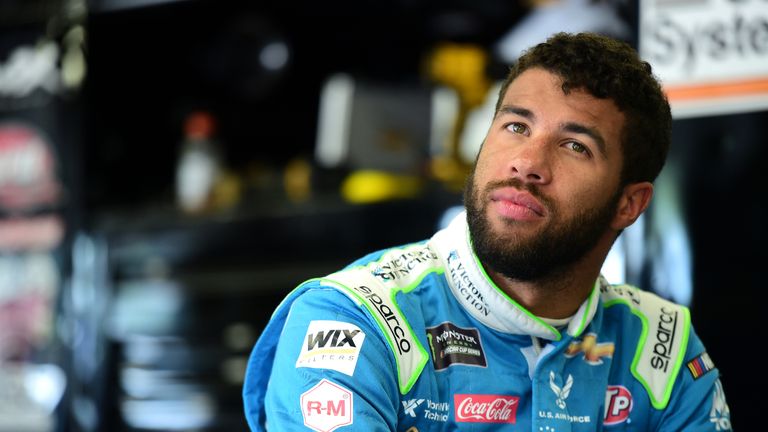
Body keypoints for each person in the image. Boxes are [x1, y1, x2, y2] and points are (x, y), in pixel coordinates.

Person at [243, 32, 732, 431]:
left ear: (628, 204)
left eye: (575, 146)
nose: (527, 164)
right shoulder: (353, 319)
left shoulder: (661, 349)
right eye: (516, 127)